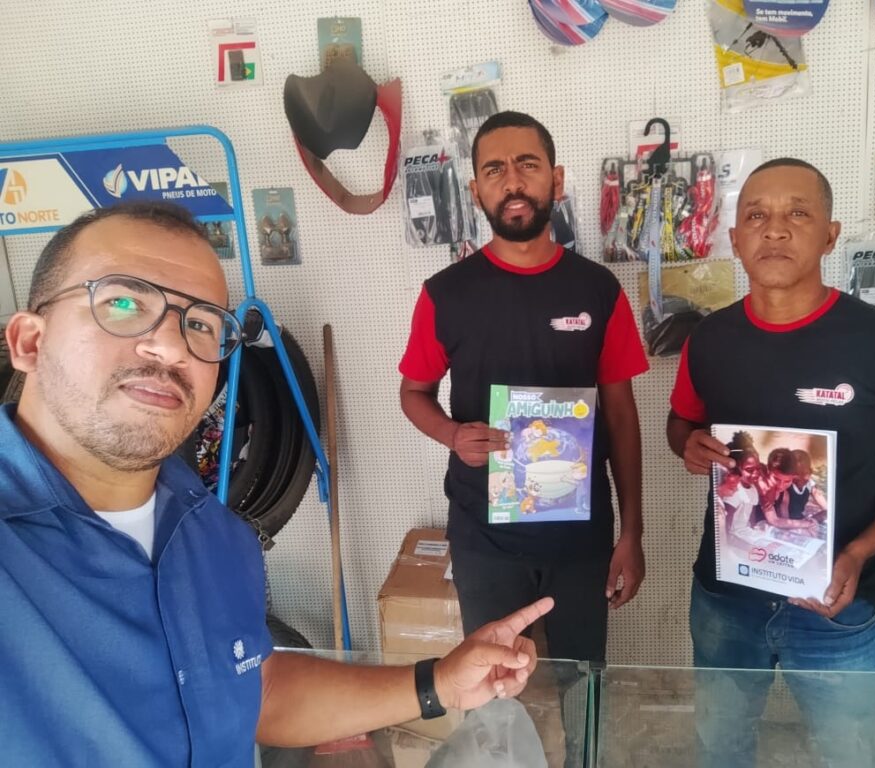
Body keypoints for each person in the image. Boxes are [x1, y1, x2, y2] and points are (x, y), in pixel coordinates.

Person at [0, 201, 552, 766]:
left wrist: (440, 684)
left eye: (200, 324)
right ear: (28, 342)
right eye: (123, 304)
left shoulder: (218, 536)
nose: (169, 348)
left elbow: (259, 693)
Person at [666, 158, 875, 768]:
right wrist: (688, 444)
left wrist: (859, 552)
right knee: (720, 751)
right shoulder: (709, 341)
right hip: (725, 600)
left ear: (830, 234)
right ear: (735, 238)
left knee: (851, 756)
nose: (775, 229)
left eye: (798, 213)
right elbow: (681, 423)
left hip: (838, 605)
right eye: (756, 216)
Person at [399, 111, 648, 663]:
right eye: (495, 170)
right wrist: (453, 435)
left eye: (527, 165)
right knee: (492, 686)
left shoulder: (599, 290)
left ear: (555, 181)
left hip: (581, 536)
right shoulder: (445, 294)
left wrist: (632, 533)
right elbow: (413, 393)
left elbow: (622, 418)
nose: (512, 182)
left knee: (582, 682)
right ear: (476, 191)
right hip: (484, 538)